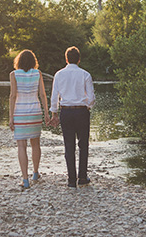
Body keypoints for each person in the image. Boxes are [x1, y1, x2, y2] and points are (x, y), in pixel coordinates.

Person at [49, 46, 95, 188]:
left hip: (66, 112)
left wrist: (54, 113)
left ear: (66, 59)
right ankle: (82, 177)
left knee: (69, 145)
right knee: (83, 145)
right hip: (81, 111)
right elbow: (92, 97)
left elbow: (54, 96)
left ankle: (71, 180)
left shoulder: (59, 74)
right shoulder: (85, 74)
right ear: (79, 60)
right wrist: (87, 106)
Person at [9, 49, 50, 189]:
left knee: (21, 145)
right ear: (34, 62)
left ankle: (25, 179)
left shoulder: (14, 74)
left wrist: (10, 117)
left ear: (18, 61)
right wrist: (46, 113)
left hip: (20, 112)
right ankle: (36, 173)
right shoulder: (37, 73)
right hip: (35, 111)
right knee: (35, 144)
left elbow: (13, 96)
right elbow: (43, 95)